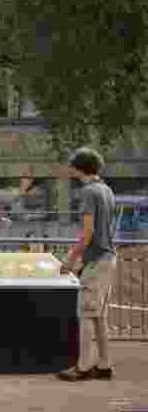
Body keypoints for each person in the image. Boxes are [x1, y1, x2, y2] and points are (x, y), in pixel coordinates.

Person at [57, 147, 117, 381]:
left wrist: (70, 260)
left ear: (77, 167)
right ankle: (104, 364)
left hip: (96, 260)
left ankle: (82, 367)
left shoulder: (88, 192)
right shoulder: (106, 190)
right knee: (100, 315)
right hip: (109, 257)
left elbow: (88, 233)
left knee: (86, 314)